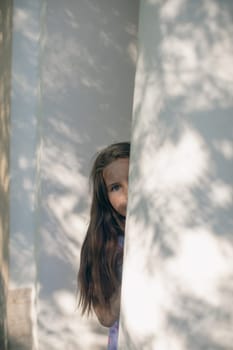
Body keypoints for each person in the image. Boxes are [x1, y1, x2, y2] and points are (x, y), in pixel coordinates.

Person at [78, 142, 130, 350]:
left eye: (133, 178)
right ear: (105, 198)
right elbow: (106, 317)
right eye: (116, 187)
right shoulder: (103, 243)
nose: (129, 192)